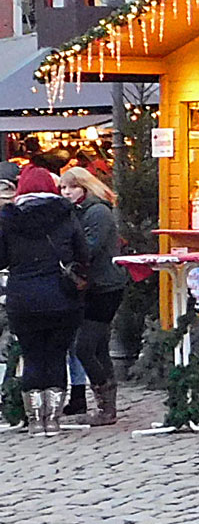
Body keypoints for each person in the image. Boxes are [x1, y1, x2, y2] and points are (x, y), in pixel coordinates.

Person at [2, 166, 87, 436]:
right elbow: (83, 253)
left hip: (23, 297)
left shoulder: (8, 219)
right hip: (61, 295)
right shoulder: (66, 215)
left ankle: (35, 419)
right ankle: (53, 419)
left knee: (32, 356)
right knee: (56, 356)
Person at [58, 167, 122, 426]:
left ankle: (105, 402)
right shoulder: (78, 212)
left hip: (104, 286)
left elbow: (89, 248)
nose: (66, 192)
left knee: (84, 347)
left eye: (71, 187)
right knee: (97, 347)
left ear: (84, 186)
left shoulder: (98, 211)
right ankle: (108, 406)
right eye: (63, 188)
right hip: (90, 286)